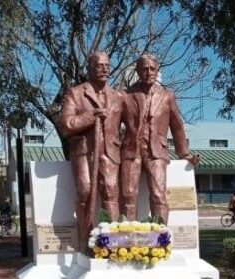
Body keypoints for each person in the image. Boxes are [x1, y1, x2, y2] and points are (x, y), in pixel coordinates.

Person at [121, 54, 200, 224]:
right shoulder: (126, 95)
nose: (148, 72)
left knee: (158, 194)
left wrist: (184, 153)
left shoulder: (167, 96)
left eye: (152, 69)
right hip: (131, 151)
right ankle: (127, 239)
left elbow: (177, 125)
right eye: (144, 68)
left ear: (157, 71)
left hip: (156, 151)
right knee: (127, 194)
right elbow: (112, 125)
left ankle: (160, 238)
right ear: (137, 71)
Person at [59, 52, 123, 248]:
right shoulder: (76, 93)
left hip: (110, 152)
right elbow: (66, 124)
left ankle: (111, 244)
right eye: (99, 65)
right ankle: (87, 240)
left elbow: (133, 122)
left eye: (107, 66)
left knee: (111, 194)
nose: (105, 69)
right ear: (90, 68)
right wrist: (90, 116)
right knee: (85, 190)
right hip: (85, 151)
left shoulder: (118, 96)